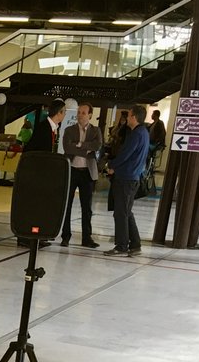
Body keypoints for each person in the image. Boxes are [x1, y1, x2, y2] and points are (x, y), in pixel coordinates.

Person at [103, 105, 150, 258]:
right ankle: (135, 244)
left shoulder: (136, 134)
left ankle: (121, 245)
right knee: (127, 212)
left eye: (129, 116)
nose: (127, 118)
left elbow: (125, 154)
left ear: (134, 117)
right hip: (133, 177)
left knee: (120, 213)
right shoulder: (144, 132)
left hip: (125, 178)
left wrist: (112, 165)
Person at [60, 101, 102, 248]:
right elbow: (67, 148)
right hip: (72, 170)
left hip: (87, 173)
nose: (80, 115)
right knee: (67, 204)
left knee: (87, 207)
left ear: (90, 115)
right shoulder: (69, 130)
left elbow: (97, 146)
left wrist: (78, 144)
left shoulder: (96, 131)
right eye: (78, 112)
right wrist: (85, 150)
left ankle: (86, 238)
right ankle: (65, 236)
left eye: (83, 113)